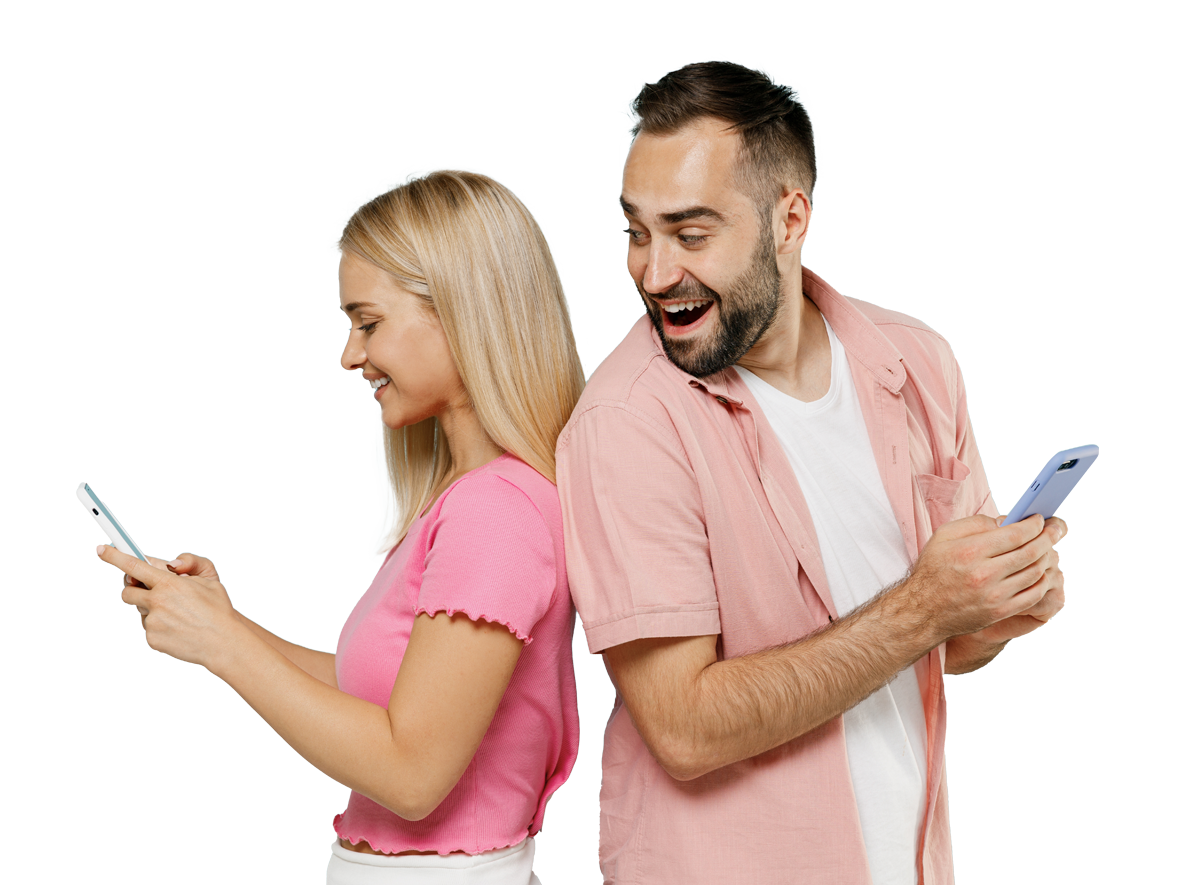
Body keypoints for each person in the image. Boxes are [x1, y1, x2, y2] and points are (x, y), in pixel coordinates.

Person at [556, 62, 1068, 885]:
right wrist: (925, 605)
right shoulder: (627, 423)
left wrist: (995, 605)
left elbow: (949, 646)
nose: (653, 273)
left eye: (690, 234)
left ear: (789, 218)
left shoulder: (918, 363)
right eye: (637, 232)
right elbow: (682, 726)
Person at [97, 169, 586, 884]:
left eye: (369, 322)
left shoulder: (496, 511)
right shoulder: (473, 499)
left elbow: (413, 774)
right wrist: (223, 623)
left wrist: (223, 645)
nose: (351, 355)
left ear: (458, 311)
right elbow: (385, 694)